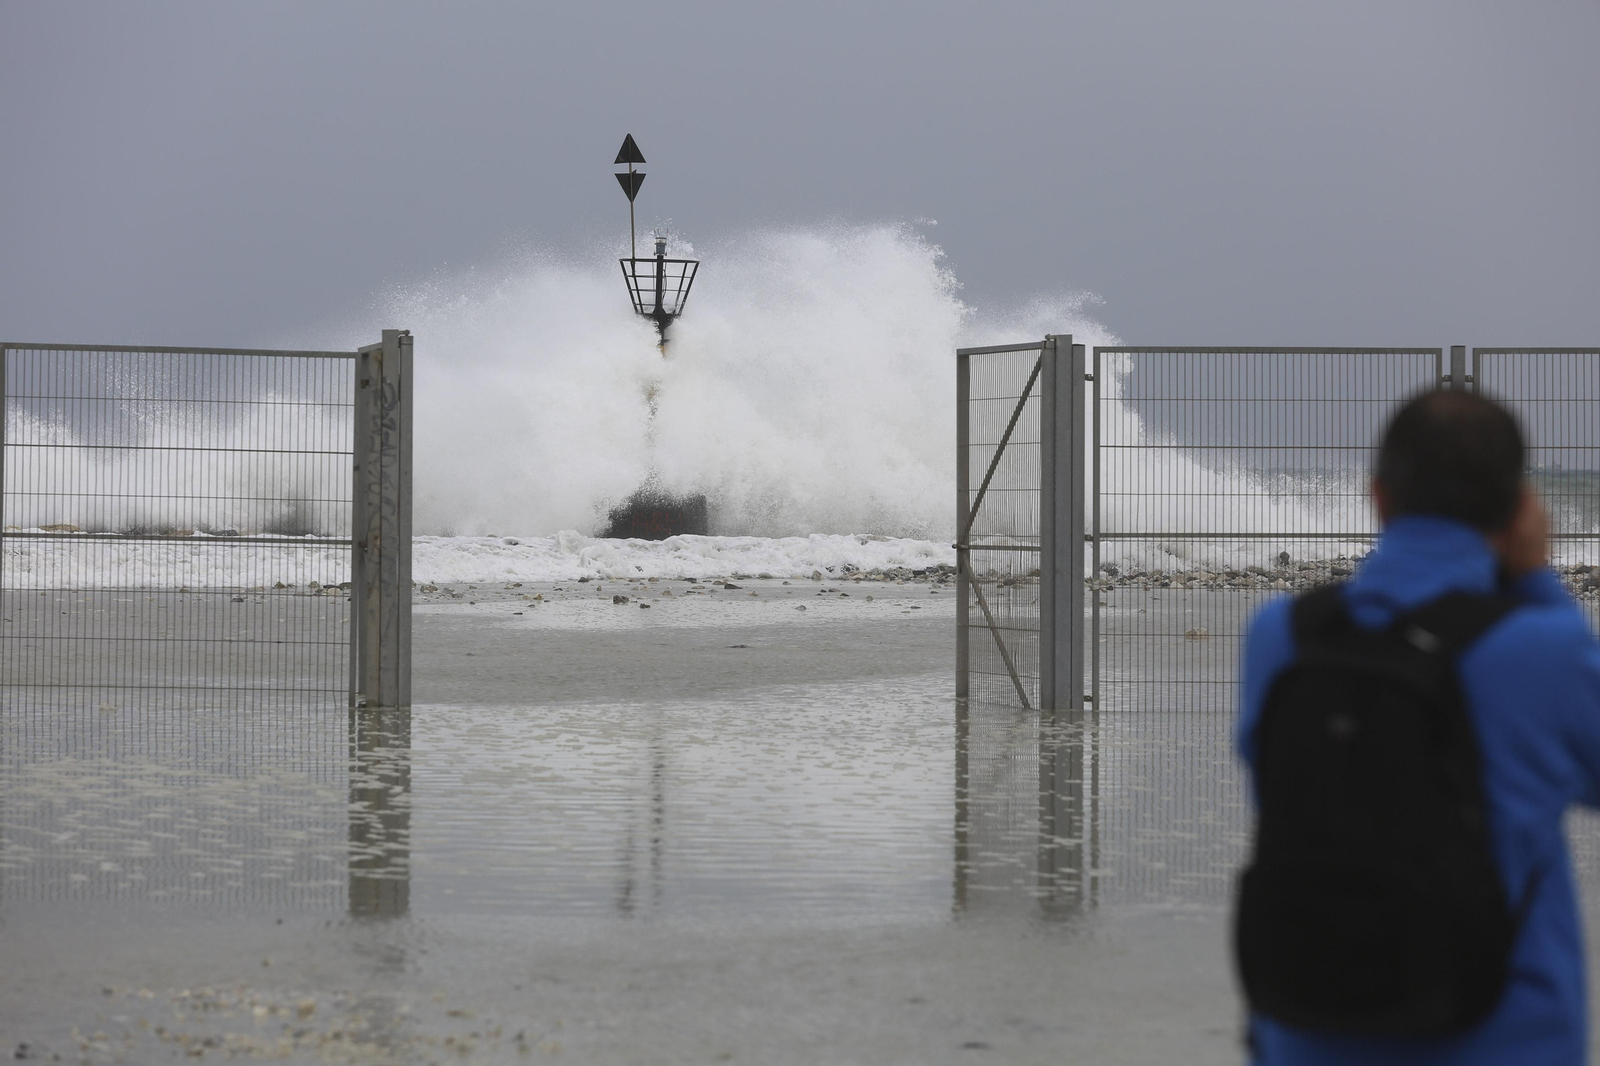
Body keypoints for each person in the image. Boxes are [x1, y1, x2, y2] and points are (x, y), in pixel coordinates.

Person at [1237, 388, 1600, 1064]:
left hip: (1303, 1031)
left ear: (1377, 496)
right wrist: (1538, 582)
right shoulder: (1544, 647)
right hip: (1501, 1037)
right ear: (1520, 509)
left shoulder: (1280, 636)